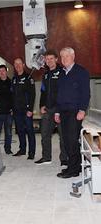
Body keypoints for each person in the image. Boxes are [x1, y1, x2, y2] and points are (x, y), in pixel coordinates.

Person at [55, 47, 90, 179]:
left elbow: (86, 93)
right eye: (62, 57)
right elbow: (59, 95)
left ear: (73, 56)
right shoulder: (62, 73)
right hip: (63, 112)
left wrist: (82, 109)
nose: (64, 59)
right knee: (66, 141)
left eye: (67, 56)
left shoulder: (81, 72)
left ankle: (74, 170)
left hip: (75, 112)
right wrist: (57, 112)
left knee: (72, 140)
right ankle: (73, 165)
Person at [35, 50, 67, 165]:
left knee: (63, 136)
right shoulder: (46, 74)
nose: (49, 61)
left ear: (56, 59)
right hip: (48, 109)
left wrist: (60, 108)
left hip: (60, 109)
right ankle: (46, 157)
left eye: (51, 59)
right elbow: (43, 92)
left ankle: (64, 159)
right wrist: (41, 105)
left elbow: (64, 92)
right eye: (47, 59)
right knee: (44, 134)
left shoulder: (62, 72)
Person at [12, 58, 36, 160]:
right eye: (15, 64)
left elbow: (32, 95)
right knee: (20, 131)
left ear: (23, 64)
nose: (17, 65)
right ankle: (22, 150)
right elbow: (12, 95)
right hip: (17, 110)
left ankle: (31, 153)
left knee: (29, 131)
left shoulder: (29, 78)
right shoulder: (14, 79)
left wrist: (30, 109)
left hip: (26, 110)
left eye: (19, 63)